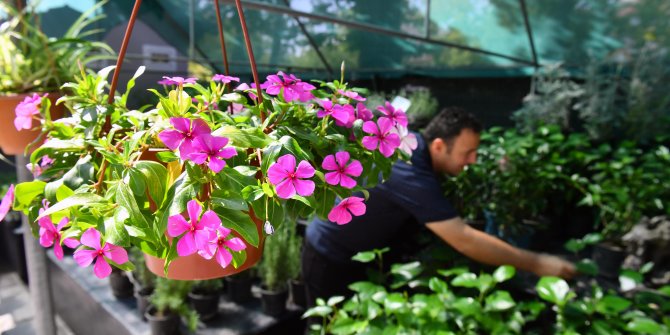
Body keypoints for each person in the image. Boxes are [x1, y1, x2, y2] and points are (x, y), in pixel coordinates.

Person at [301, 107, 576, 309]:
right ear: (440, 145)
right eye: (467, 153)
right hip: (330, 257)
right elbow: (465, 239)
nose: (473, 160)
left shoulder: (415, 149)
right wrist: (537, 263)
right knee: (326, 325)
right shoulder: (408, 169)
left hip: (359, 254)